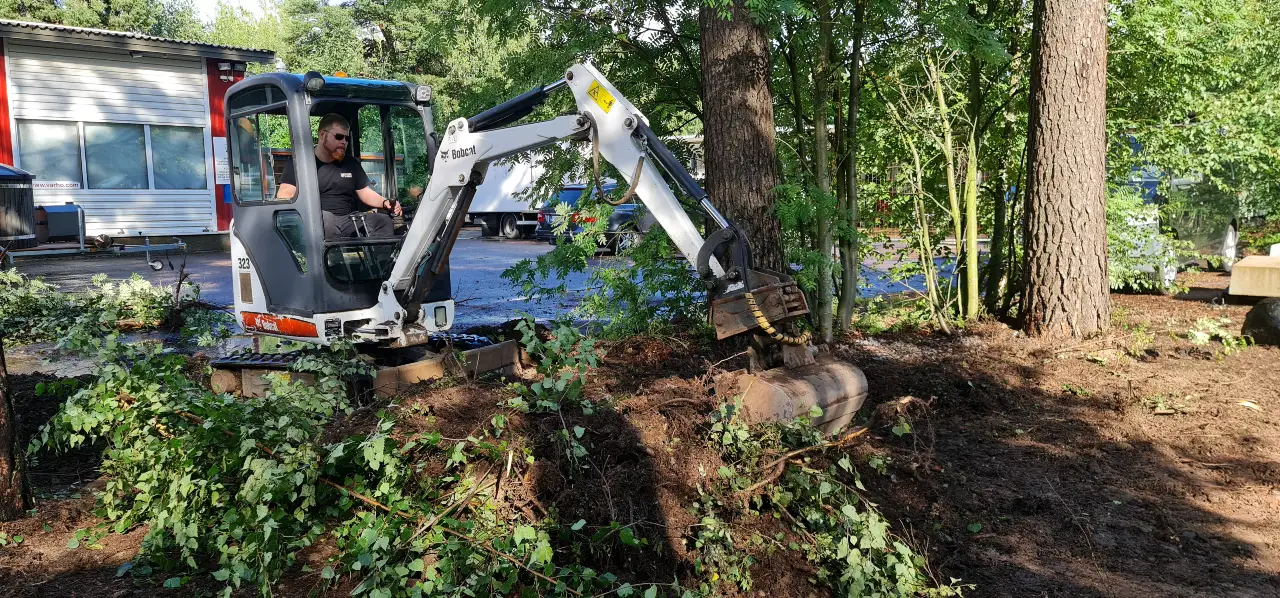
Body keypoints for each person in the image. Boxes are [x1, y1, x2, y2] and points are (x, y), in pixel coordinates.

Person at [277, 113, 403, 239]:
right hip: (315, 221)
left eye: (346, 139)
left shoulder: (351, 163)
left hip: (349, 220)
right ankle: (331, 259)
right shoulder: (301, 163)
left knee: (383, 221)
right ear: (322, 135)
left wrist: (385, 202)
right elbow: (285, 193)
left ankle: (383, 259)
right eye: (339, 137)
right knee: (326, 220)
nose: (344, 142)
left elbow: (366, 193)